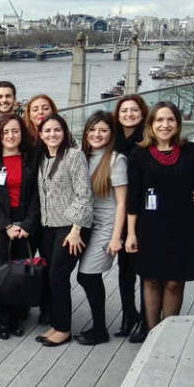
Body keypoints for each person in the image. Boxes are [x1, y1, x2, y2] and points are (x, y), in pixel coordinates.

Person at [126, 102, 194, 332]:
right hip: (150, 227)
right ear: (151, 124)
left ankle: (167, 333)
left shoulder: (191, 151)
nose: (165, 125)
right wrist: (131, 233)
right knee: (151, 279)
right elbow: (133, 198)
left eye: (170, 119)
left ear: (178, 123)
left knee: (174, 282)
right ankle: (152, 333)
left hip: (184, 226)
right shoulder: (139, 154)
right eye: (159, 120)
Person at [0, 114, 40, 339]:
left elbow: (37, 194)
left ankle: (16, 317)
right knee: (1, 273)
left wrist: (26, 224)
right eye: (5, 132)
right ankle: (3, 320)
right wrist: (6, 225)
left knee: (20, 272)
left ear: (21, 133)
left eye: (15, 131)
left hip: (24, 222)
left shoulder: (30, 157)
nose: (10, 136)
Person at [35, 114, 92, 347]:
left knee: (58, 275)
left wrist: (76, 229)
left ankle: (63, 329)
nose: (52, 134)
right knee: (52, 276)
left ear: (65, 132)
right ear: (40, 135)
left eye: (57, 130)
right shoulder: (41, 157)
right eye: (47, 131)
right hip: (47, 227)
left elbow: (84, 194)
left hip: (70, 228)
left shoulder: (74, 156)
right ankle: (57, 322)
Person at [74, 111, 127, 346]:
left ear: (111, 134)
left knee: (87, 276)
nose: (97, 134)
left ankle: (99, 329)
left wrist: (117, 238)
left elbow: (122, 203)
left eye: (103, 130)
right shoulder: (80, 156)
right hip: (82, 225)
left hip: (105, 226)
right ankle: (98, 326)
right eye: (93, 129)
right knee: (86, 276)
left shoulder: (116, 160)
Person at [112, 94, 150, 341]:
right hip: (119, 211)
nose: (128, 114)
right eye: (124, 110)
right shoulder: (113, 139)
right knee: (124, 269)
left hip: (144, 211)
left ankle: (147, 318)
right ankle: (129, 314)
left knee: (145, 268)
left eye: (133, 110)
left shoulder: (148, 140)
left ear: (142, 112)